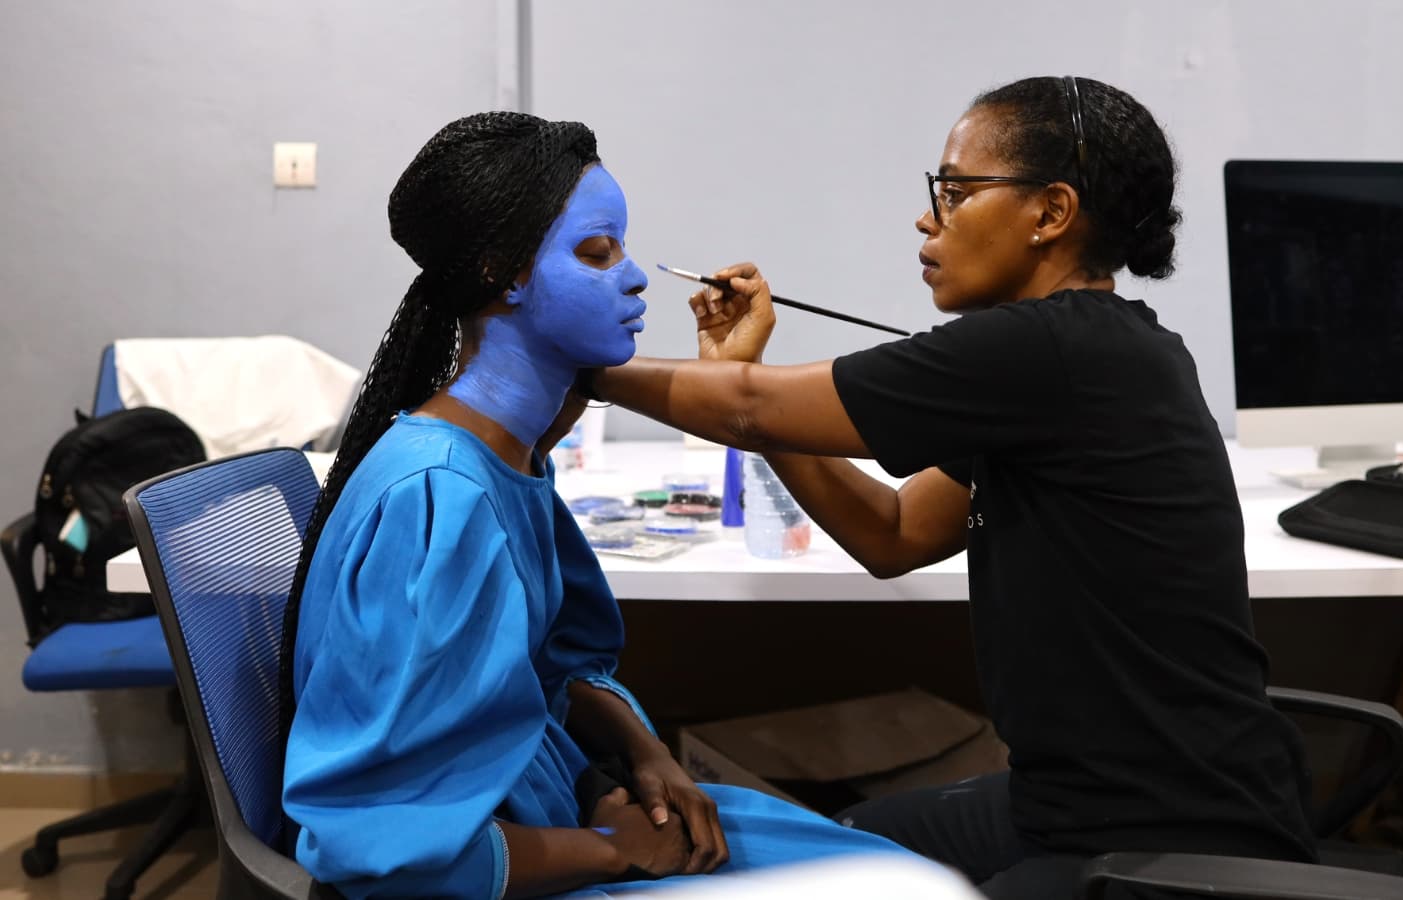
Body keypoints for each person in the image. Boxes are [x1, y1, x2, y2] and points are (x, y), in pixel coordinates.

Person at [581, 76, 1318, 898]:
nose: (929, 219)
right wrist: (740, 380)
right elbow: (893, 535)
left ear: (1051, 212)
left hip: (1163, 832)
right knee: (825, 850)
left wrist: (572, 356)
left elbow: (753, 412)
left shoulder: (1056, 348)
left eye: (957, 193)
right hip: (1075, 804)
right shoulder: (1083, 355)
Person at [278, 112, 905, 900]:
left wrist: (647, 752)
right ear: (502, 273)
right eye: (597, 253)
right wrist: (613, 852)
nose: (636, 278)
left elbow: (557, 665)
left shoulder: (507, 455)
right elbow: (377, 844)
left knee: (894, 873)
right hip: (521, 860)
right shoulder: (439, 496)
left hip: (565, 801)